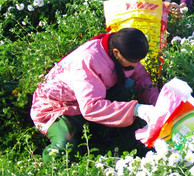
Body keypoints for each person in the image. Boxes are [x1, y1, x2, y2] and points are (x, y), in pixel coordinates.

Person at [30, 27, 159, 162]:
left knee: (129, 84)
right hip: (58, 107)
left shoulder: (120, 47)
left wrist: (158, 104)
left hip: (87, 99)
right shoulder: (88, 60)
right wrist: (137, 110)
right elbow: (91, 107)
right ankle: (49, 165)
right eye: (132, 62)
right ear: (116, 53)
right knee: (64, 148)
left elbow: (142, 78)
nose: (135, 65)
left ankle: (100, 131)